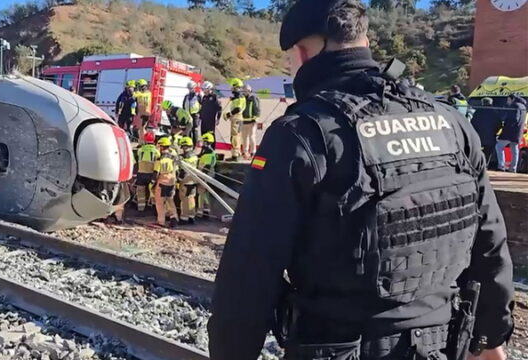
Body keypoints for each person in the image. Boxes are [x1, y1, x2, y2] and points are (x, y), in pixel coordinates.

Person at [208, 1, 514, 360]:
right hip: (444, 346)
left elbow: (249, 276)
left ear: (304, 53)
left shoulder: (301, 134)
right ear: (363, 40)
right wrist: (491, 338)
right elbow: (490, 243)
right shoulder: (452, 123)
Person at [496, 94, 527, 172]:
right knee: (514, 150)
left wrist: (505, 125)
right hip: (518, 133)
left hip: (510, 132)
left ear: (512, 99)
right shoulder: (523, 107)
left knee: (499, 146)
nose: (507, 101)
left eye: (508, 99)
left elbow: (514, 119)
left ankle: (501, 166)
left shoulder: (515, 106)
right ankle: (513, 168)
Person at [470, 97, 503, 169]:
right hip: (491, 136)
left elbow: (472, 123)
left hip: (478, 136)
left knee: (477, 151)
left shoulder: (478, 111)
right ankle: (485, 166)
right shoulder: (495, 113)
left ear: (483, 103)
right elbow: (499, 124)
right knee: (488, 153)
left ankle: (477, 165)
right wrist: (495, 131)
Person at [154, 137, 178, 228]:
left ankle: (161, 222)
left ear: (162, 147)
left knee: (160, 203)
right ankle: (174, 218)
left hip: (162, 183)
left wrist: (152, 183)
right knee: (170, 201)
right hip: (171, 182)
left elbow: (155, 173)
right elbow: (177, 171)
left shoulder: (159, 159)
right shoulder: (173, 158)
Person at [135, 131, 160, 212]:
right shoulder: (156, 151)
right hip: (151, 174)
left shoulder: (140, 150)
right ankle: (153, 208)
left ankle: (141, 208)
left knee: (140, 191)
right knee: (152, 191)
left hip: (141, 173)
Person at [177, 136, 198, 224]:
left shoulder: (184, 158)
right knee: (191, 199)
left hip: (185, 181)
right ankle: (191, 216)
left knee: (184, 200)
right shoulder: (195, 156)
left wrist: (179, 180)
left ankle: (184, 218)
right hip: (193, 180)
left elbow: (183, 171)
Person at [224, 78, 247, 160]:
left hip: (236, 118)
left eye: (233, 88)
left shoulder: (240, 98)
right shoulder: (238, 98)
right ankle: (237, 153)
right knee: (237, 136)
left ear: (237, 87)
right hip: (237, 119)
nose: (232, 90)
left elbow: (238, 109)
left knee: (235, 136)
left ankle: (235, 155)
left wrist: (229, 114)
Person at [196, 132, 217, 218]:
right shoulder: (208, 152)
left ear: (207, 142)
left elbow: (207, 167)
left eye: (203, 142)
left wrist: (202, 177)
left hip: (205, 175)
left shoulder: (208, 154)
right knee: (205, 193)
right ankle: (206, 210)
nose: (202, 143)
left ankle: (200, 212)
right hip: (208, 174)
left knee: (201, 193)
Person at [240, 84, 261, 160]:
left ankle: (253, 152)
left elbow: (257, 109)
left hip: (252, 121)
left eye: (246, 91)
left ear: (249, 91)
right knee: (244, 138)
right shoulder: (242, 98)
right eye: (243, 90)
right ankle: (245, 152)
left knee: (252, 137)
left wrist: (255, 119)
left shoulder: (254, 98)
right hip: (244, 121)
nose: (244, 92)